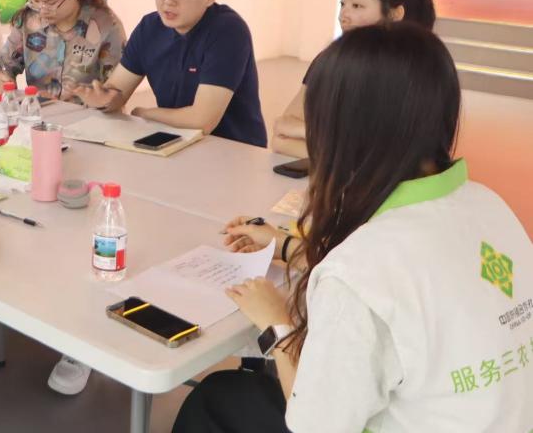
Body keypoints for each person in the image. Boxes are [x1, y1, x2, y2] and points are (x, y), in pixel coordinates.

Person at [171, 24, 533, 433]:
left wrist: (277, 323)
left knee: (216, 397)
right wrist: (286, 245)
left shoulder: (358, 271)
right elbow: (416, 283)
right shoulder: (488, 203)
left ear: (344, 131)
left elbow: (315, 425)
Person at [76, 0, 267, 147]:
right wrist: (104, 100)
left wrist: (145, 113)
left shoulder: (228, 31)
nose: (168, 0)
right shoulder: (150, 27)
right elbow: (117, 91)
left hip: (233, 150)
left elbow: (202, 120)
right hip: (173, 143)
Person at [272, 0, 435, 158]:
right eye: (343, 4)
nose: (343, 15)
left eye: (357, 5)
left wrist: (313, 138)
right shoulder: (330, 59)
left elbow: (383, 154)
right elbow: (282, 135)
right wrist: (340, 151)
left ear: (395, 14)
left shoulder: (411, 70)